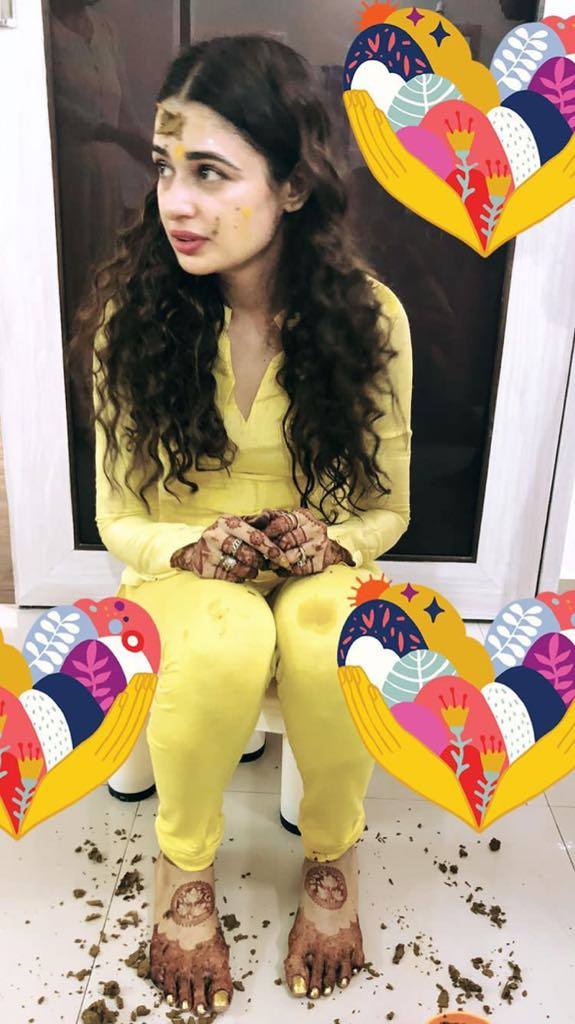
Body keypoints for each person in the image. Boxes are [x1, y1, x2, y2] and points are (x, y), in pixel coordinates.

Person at [70, 33, 413, 1018]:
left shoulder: (370, 318)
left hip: (315, 561)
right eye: (164, 168)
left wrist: (332, 542)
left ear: (293, 186)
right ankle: (182, 870)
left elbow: (385, 507)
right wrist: (186, 547)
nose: (174, 202)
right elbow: (118, 516)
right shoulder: (135, 320)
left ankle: (331, 855)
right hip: (179, 569)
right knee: (222, 637)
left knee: (328, 631)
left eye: (210, 173)